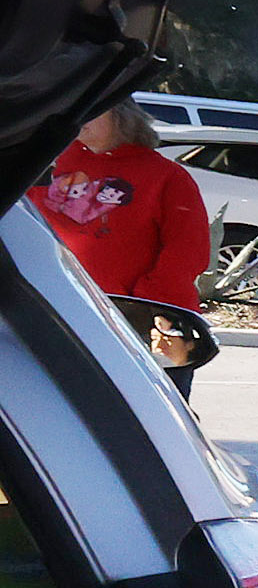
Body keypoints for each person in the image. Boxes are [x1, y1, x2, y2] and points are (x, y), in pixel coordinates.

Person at [30, 101, 209, 390]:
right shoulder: (44, 165)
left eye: (92, 107)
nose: (80, 115)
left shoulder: (167, 176)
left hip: (139, 324)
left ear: (121, 114)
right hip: (53, 312)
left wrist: (140, 306)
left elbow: (188, 251)